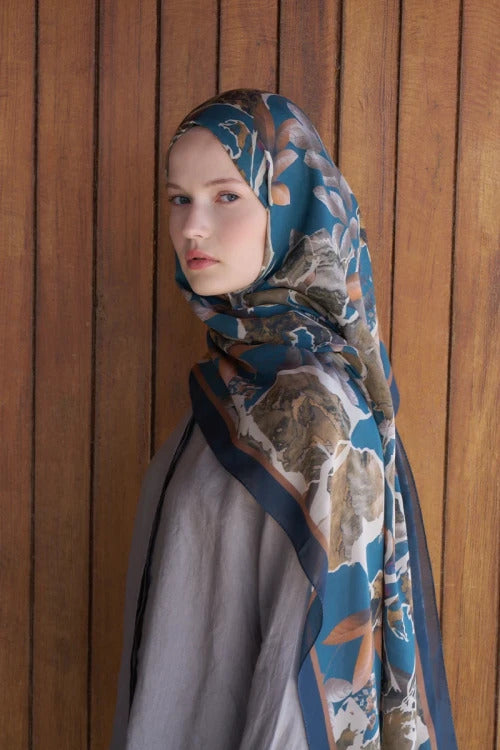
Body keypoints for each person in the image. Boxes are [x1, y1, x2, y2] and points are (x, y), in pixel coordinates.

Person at [110, 90, 457, 749]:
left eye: (226, 195)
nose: (192, 227)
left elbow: (310, 690)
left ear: (292, 205)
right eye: (179, 198)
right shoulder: (234, 377)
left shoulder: (318, 417)